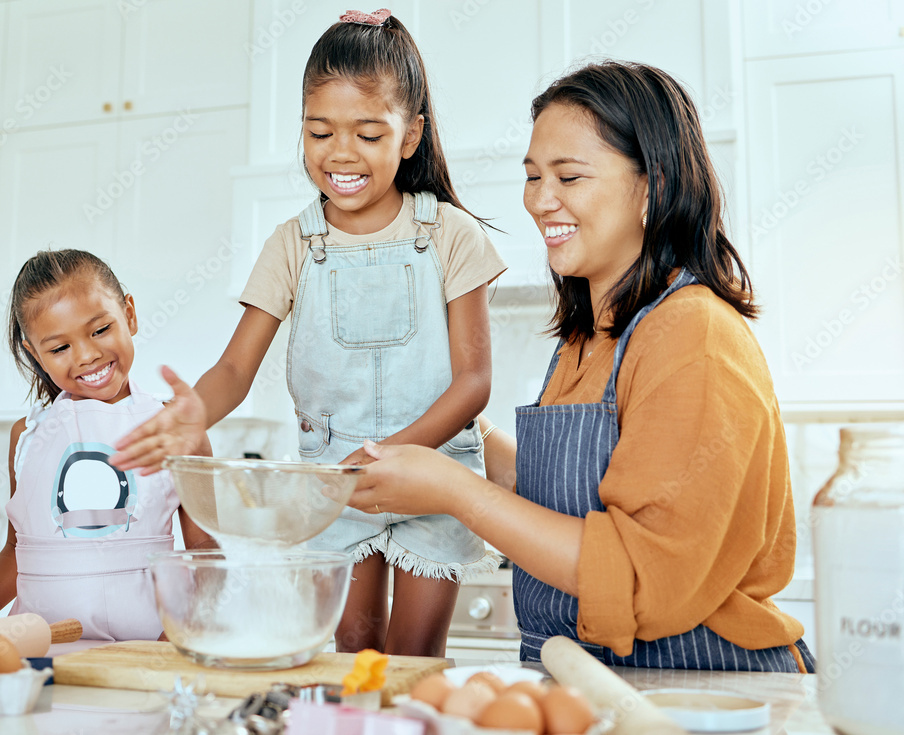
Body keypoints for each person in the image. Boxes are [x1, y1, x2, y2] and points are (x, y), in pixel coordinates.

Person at [347, 61, 817, 672]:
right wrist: (461, 437)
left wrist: (454, 490)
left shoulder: (694, 337)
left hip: (701, 692)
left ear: (655, 185)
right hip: (592, 682)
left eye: (569, 176)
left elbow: (643, 578)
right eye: (533, 176)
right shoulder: (586, 336)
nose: (541, 200)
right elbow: (569, 500)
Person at [111, 9, 506, 657]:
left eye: (368, 134)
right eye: (320, 131)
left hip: (437, 477)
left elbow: (473, 383)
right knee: (350, 648)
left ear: (411, 137)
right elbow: (235, 369)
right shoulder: (293, 244)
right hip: (332, 484)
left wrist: (391, 456)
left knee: (413, 657)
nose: (340, 153)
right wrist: (193, 409)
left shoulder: (451, 236)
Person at [0, 249, 214, 641]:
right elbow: (18, 549)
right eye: (59, 348)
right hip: (43, 651)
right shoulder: (26, 436)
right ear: (35, 354)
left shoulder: (176, 429)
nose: (87, 355)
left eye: (100, 330)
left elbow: (206, 550)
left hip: (148, 650)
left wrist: (176, 634)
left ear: (129, 313)